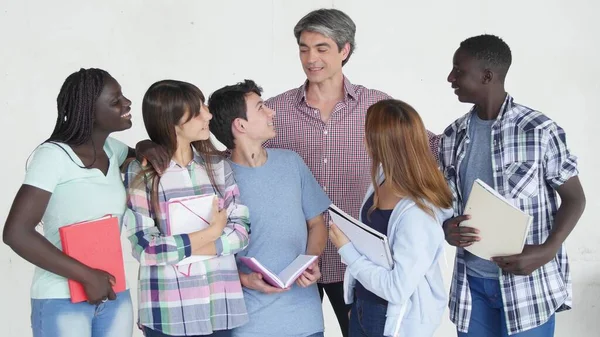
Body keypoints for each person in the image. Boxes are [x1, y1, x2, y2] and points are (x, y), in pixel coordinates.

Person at [264, 9, 440, 335]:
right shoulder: (275, 112)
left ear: (344, 50)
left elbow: (432, 148)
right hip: (297, 258)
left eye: (321, 48)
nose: (310, 58)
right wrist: (160, 143)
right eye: (304, 48)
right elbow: (237, 155)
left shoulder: (377, 107)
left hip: (359, 263)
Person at [2, 68, 167, 337]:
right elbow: (16, 233)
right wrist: (87, 276)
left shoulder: (112, 150)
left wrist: (145, 143)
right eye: (115, 101)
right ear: (88, 111)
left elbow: (143, 158)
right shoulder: (52, 156)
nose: (126, 103)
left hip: (114, 293)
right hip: (61, 297)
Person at [439, 34, 586, 337]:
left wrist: (548, 250)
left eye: (459, 70)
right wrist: (446, 227)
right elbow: (447, 202)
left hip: (526, 286)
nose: (451, 77)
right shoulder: (452, 136)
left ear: (487, 76)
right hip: (472, 286)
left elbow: (574, 198)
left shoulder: (538, 130)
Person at [123, 80, 252, 337]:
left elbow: (241, 230)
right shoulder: (141, 173)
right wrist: (213, 232)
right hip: (168, 312)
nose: (209, 114)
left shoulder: (218, 167)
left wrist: (186, 246)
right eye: (197, 110)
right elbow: (145, 248)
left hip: (221, 308)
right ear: (171, 121)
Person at [208, 79, 330, 337]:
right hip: (250, 325)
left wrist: (311, 260)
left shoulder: (291, 162)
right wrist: (244, 280)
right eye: (261, 107)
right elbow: (206, 251)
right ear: (240, 125)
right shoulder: (215, 179)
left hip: (306, 320)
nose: (271, 112)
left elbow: (317, 223)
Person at [328, 99, 453, 337]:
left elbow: (397, 289)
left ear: (381, 143)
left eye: (367, 132)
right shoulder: (382, 174)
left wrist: (346, 250)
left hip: (394, 322)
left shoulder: (418, 215)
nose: (362, 139)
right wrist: (358, 307)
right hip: (365, 309)